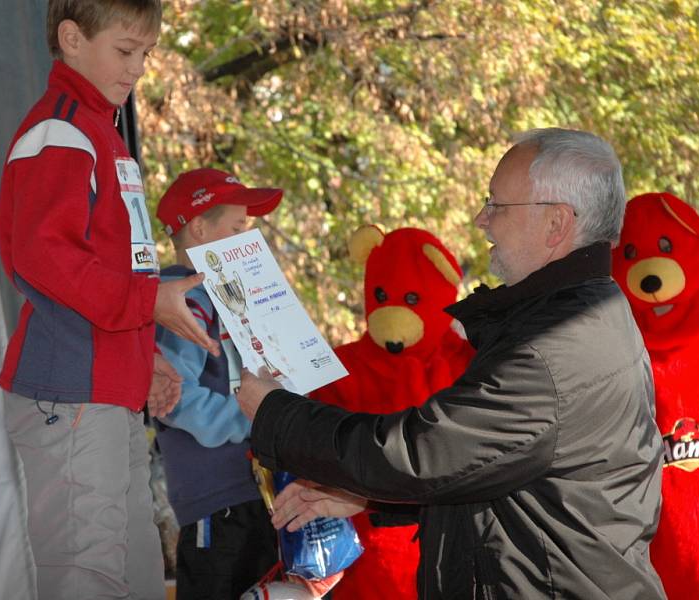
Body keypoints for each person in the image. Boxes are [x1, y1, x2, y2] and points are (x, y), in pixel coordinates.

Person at [237, 128, 667, 599]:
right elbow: (502, 479)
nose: (482, 219)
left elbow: (422, 452)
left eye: (497, 204)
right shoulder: (577, 315)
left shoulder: (555, 347)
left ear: (556, 223)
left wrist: (276, 414)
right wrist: (365, 500)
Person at [0, 2, 218, 599]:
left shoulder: (102, 132)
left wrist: (141, 356)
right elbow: (46, 259)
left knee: (137, 572)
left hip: (104, 389)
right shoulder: (61, 129)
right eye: (126, 50)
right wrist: (149, 306)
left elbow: (109, 271)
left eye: (147, 53)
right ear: (71, 38)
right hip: (69, 391)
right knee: (87, 577)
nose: (139, 68)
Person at [154, 168, 283, 600]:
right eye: (238, 229)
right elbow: (175, 398)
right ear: (199, 228)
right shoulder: (179, 300)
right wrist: (257, 417)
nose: (249, 242)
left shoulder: (227, 295)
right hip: (214, 500)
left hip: (254, 491)